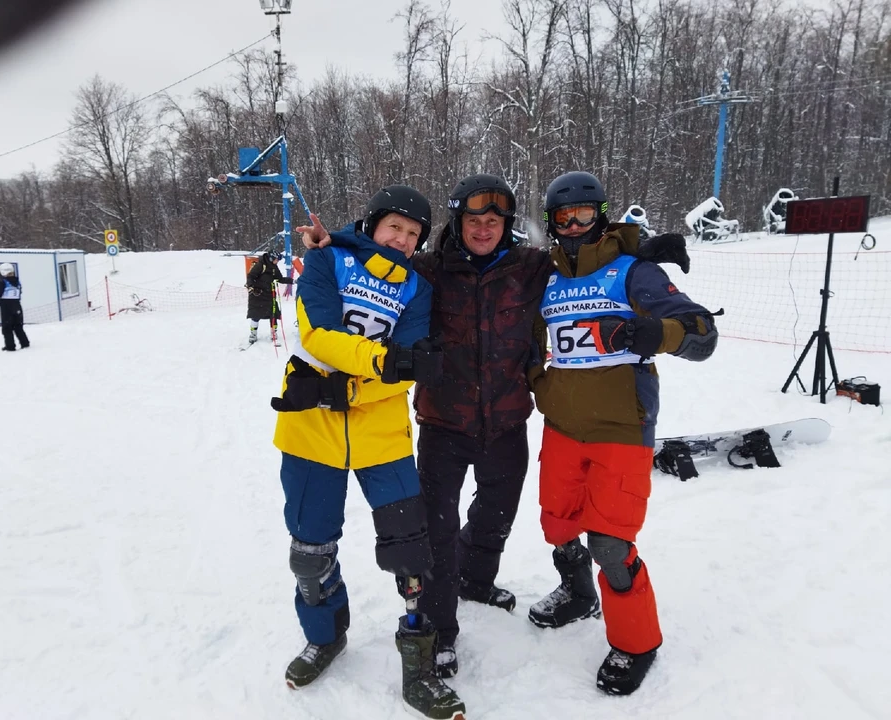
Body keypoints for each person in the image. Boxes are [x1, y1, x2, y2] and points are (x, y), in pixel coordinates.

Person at [299, 174, 555, 680]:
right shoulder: (428, 271)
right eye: (474, 220)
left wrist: (630, 249)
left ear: (507, 226)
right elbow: (374, 256)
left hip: (507, 419)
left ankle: (477, 580)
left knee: (494, 517)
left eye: (495, 221)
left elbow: (581, 259)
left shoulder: (529, 268)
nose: (484, 229)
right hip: (445, 421)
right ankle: (439, 630)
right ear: (457, 224)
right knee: (435, 529)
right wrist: (332, 245)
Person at [272, 186, 465, 720]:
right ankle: (326, 636)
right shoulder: (326, 259)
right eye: (393, 228)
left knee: (411, 556)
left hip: (381, 434)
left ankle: (418, 669)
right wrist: (383, 361)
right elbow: (319, 334)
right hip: (310, 431)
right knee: (308, 556)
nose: (402, 240)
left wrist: (351, 385)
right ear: (373, 224)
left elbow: (412, 367)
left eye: (412, 234)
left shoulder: (417, 291)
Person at [527, 171, 718, 696]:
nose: (572, 226)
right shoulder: (545, 275)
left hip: (620, 427)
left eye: (584, 215)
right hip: (562, 426)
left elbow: (703, 333)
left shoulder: (633, 274)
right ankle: (576, 594)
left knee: (611, 543)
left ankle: (637, 642)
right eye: (562, 219)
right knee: (558, 524)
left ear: (601, 216)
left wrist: (659, 332)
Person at [245, 251, 292, 346]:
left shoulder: (274, 267)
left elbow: (280, 278)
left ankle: (273, 332)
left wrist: (293, 281)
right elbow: (251, 276)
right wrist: (252, 287)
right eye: (276, 260)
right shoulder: (260, 265)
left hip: (269, 294)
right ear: (271, 259)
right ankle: (253, 334)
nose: (277, 262)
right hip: (257, 294)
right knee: (256, 315)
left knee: (273, 314)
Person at [0, 262, 30, 351]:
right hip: (17, 306)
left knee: (7, 328)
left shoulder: (3, 282)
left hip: (6, 308)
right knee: (18, 326)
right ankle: (25, 343)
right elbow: (19, 293)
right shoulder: (17, 282)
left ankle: (10, 346)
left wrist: (1, 301)